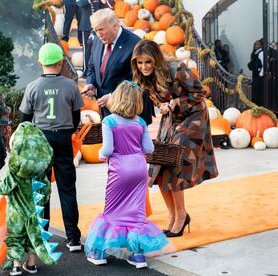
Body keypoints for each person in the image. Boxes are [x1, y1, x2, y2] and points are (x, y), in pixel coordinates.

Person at [131, 40, 219, 238]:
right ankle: (173, 216)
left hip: (193, 118)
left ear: (156, 60)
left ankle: (181, 216)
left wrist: (175, 102)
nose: (144, 66)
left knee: (173, 165)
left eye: (148, 62)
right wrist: (162, 107)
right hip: (172, 118)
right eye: (140, 63)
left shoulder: (177, 69)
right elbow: (159, 102)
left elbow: (200, 93)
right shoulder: (144, 78)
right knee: (158, 167)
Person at [84, 81, 168, 268]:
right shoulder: (140, 122)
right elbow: (149, 148)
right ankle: (138, 256)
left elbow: (107, 149)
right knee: (136, 211)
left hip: (120, 169)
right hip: (139, 168)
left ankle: (99, 253)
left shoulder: (109, 121)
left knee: (112, 210)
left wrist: (101, 155)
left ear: (117, 98)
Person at [19, 43, 84, 252]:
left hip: (41, 141)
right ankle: (73, 238)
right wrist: (68, 130)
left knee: (41, 189)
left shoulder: (33, 86)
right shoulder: (71, 86)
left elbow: (25, 119)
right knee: (67, 189)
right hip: (64, 138)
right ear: (61, 62)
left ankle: (43, 236)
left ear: (40, 63)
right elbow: (76, 117)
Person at [0, 122, 61, 275]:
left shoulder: (16, 171)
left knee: (15, 237)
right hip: (35, 212)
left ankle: (16, 266)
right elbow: (46, 190)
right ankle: (31, 264)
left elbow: (4, 188)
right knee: (33, 237)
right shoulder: (41, 171)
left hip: (16, 213)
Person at [82, 8, 141, 118]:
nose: (98, 34)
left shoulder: (135, 44)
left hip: (127, 110)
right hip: (104, 111)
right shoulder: (97, 39)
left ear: (115, 26)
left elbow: (137, 80)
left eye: (101, 30)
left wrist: (113, 96)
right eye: (95, 30)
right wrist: (91, 83)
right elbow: (92, 67)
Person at [247, 39, 264, 106]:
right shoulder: (255, 53)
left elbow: (264, 64)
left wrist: (261, 74)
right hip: (255, 74)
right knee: (255, 91)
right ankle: (255, 105)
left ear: (261, 45)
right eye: (255, 44)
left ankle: (258, 106)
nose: (256, 45)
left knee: (257, 91)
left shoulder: (261, 53)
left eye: (258, 44)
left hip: (259, 75)